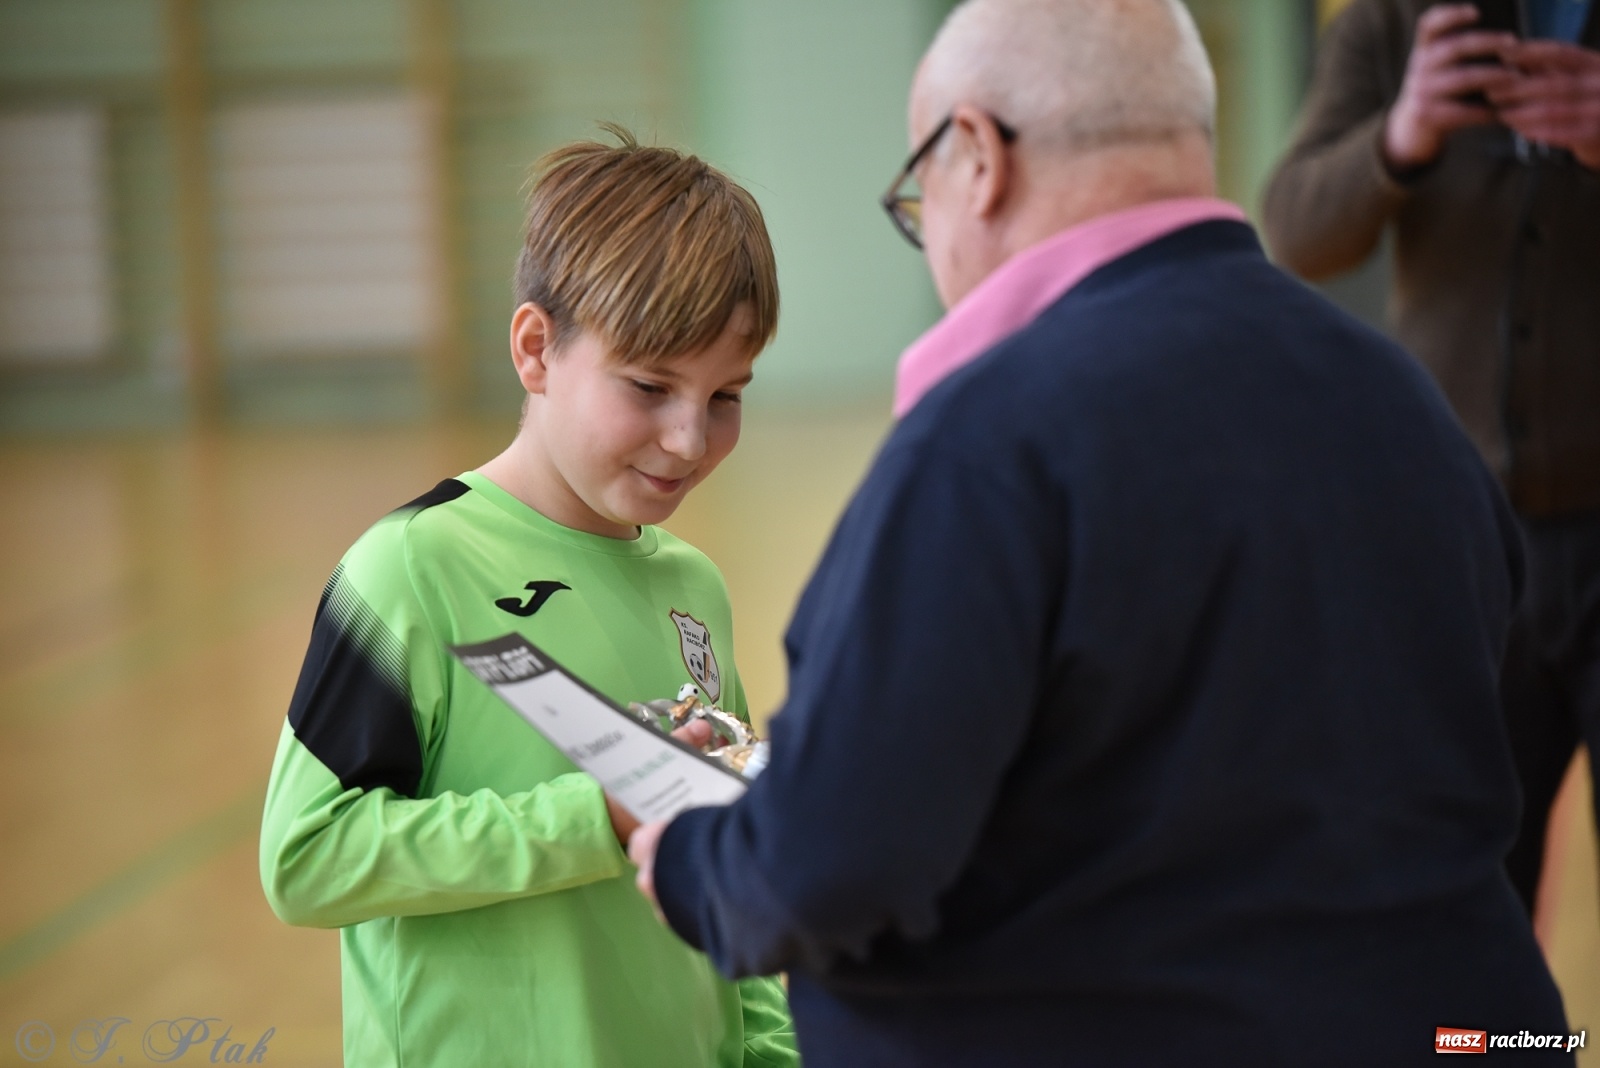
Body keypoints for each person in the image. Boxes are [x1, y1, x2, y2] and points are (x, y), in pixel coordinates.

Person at [622, 0, 1571, 1063]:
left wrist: (696, 861)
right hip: (1472, 1032)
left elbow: (829, 866)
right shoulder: (1407, 404)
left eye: (915, 203)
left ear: (973, 156)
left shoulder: (990, 439)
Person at [258, 130, 799, 1068]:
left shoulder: (693, 587)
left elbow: (727, 858)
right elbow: (307, 858)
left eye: (726, 397)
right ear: (537, 348)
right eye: (650, 386)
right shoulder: (410, 568)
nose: (688, 440)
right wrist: (595, 818)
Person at [1261, 0, 1600, 914]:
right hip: (1459, 548)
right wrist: (1399, 136)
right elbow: (1291, 230)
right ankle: (1522, 1053)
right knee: (1460, 902)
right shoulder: (1389, 18)